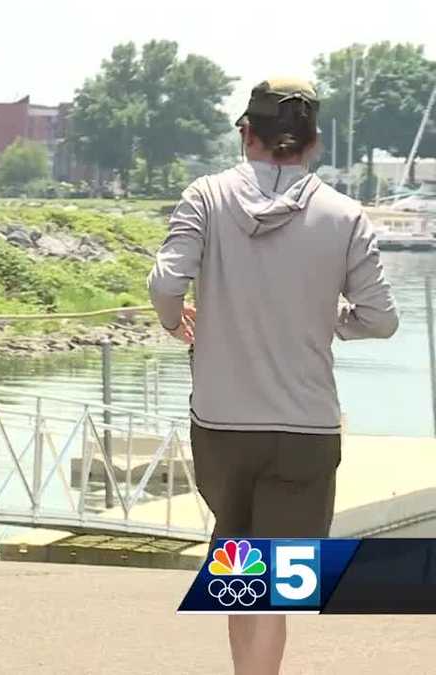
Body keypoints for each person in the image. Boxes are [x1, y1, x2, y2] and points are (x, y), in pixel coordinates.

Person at [148, 78, 398, 675]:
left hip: (221, 424)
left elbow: (164, 284)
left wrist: (173, 321)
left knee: (240, 567)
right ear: (312, 143)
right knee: (274, 581)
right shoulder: (345, 215)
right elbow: (381, 319)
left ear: (245, 134)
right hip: (305, 430)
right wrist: (330, 315)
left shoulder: (205, 197)